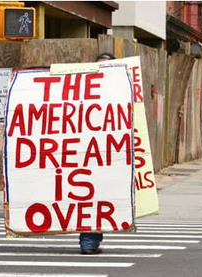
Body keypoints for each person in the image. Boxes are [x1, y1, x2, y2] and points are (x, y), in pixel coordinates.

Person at [79, 52, 116, 255]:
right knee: (87, 196)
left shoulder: (120, 90)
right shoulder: (81, 89)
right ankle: (89, 242)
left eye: (107, 67)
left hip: (108, 155)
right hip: (83, 154)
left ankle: (91, 241)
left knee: (100, 197)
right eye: (99, 66)